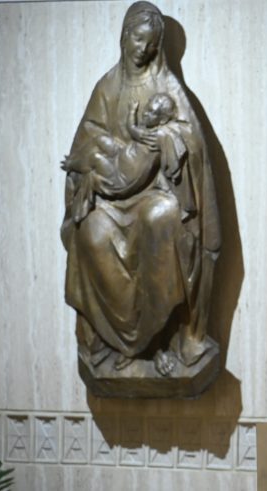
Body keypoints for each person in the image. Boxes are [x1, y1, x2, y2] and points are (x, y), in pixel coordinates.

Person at [61, 1, 220, 376]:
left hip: (154, 193)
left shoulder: (167, 87)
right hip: (110, 196)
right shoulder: (107, 88)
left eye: (150, 43)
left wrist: (164, 138)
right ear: (124, 36)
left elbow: (192, 144)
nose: (142, 48)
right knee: (91, 232)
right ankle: (117, 341)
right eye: (137, 38)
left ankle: (157, 341)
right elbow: (87, 139)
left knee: (161, 219)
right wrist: (100, 158)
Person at [62, 92, 191, 222]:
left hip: (120, 178)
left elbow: (172, 154)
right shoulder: (147, 128)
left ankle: (72, 165)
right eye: (147, 109)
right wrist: (132, 112)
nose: (146, 114)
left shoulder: (158, 137)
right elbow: (132, 129)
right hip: (119, 156)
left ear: (162, 120)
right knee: (100, 139)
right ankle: (77, 160)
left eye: (152, 112)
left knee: (95, 158)